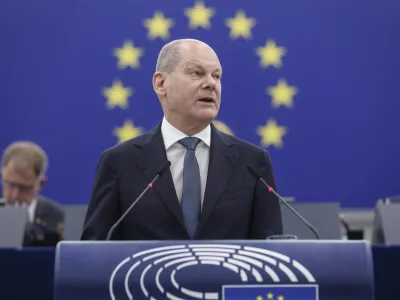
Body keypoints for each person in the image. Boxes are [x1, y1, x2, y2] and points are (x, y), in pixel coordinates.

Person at [81, 39, 283, 241]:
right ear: (161, 83)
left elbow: (272, 252)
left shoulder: (252, 162)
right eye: (196, 73)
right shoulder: (119, 163)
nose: (211, 84)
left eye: (216, 76)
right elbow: (93, 251)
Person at [0, 141, 64, 246]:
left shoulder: (57, 218)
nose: (15, 195)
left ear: (41, 183)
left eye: (24, 188)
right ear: (1, 176)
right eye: (11, 185)